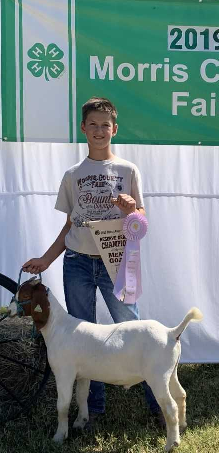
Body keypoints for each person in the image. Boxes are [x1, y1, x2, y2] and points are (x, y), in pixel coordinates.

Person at [23, 96, 164, 429]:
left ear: (115, 129)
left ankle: (157, 402)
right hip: (78, 264)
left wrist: (133, 210)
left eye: (106, 125)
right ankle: (93, 410)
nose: (100, 131)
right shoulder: (73, 175)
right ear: (83, 128)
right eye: (93, 125)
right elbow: (70, 224)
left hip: (116, 264)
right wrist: (46, 259)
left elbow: (140, 219)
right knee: (82, 336)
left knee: (133, 328)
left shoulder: (128, 171)